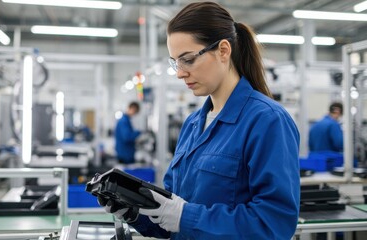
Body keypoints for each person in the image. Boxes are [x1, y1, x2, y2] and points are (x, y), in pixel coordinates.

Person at [99, 2, 300, 239]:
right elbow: (172, 216)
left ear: (223, 51)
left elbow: (274, 224)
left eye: (188, 59)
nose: (180, 72)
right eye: (176, 62)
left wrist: (185, 217)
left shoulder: (267, 121)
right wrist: (136, 213)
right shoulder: (193, 124)